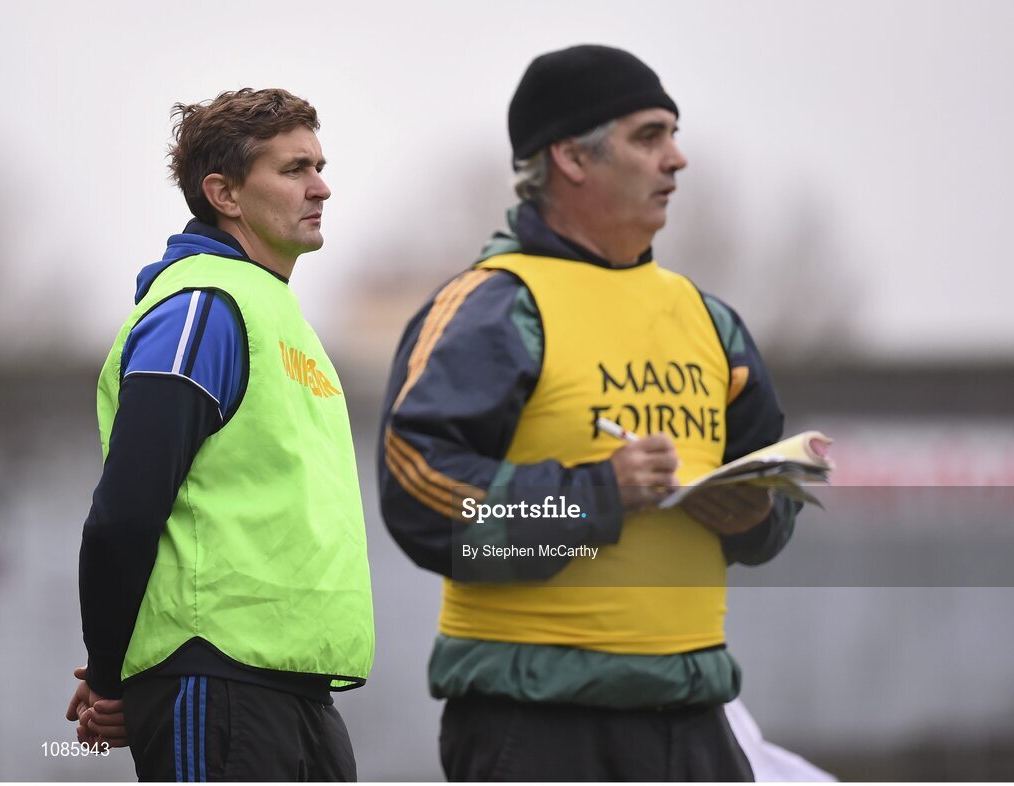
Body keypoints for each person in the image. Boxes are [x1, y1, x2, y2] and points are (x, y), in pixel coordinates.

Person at [377, 45, 800, 781]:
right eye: (649, 136)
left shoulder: (711, 320)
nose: (677, 159)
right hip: (540, 726)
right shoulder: (494, 306)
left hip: (695, 724)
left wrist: (755, 517)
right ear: (570, 157)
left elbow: (775, 506)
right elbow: (422, 505)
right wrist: (596, 497)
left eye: (674, 134)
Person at [67, 88, 374, 781]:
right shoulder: (202, 309)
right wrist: (113, 676)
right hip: (218, 684)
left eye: (320, 165)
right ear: (225, 194)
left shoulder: (278, 314)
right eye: (294, 169)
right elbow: (124, 514)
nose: (322, 186)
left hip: (297, 690)